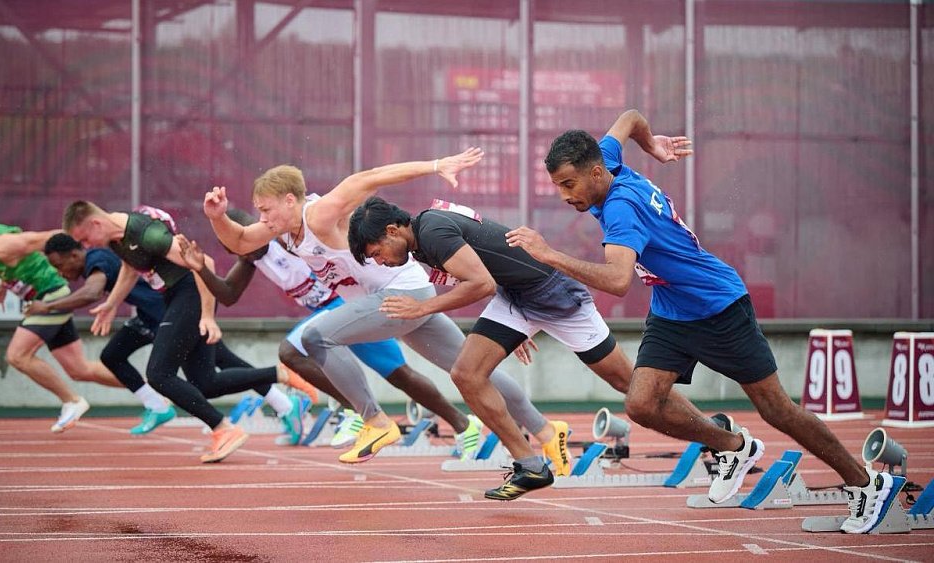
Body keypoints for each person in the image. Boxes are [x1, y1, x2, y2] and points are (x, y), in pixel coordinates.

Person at [505, 108, 893, 533]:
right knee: (641, 403)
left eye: (568, 184)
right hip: (673, 311)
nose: (564, 195)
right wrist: (652, 145)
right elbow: (631, 118)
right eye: (557, 185)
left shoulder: (621, 210)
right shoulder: (608, 158)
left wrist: (549, 255)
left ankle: (866, 482)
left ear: (595, 173)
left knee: (776, 409)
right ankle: (734, 446)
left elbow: (617, 280)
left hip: (718, 306)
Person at [204, 150, 571, 500]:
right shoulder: (280, 231)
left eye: (266, 210)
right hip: (407, 298)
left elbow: (370, 178)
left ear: (289, 200)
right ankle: (545, 430)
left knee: (317, 338)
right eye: (258, 213)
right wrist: (218, 217)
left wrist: (436, 165)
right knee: (471, 370)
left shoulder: (318, 215)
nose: (262, 219)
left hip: (400, 295)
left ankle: (375, 422)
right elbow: (237, 240)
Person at [349, 196, 696, 499]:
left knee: (628, 384)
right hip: (515, 298)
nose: (380, 262)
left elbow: (480, 283)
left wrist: (422, 307)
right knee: (466, 373)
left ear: (393, 230)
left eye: (377, 253)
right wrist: (512, 331)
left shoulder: (432, 231)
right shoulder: (423, 237)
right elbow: (493, 269)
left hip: (553, 292)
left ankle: (712, 432)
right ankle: (530, 464)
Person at [178, 208, 478, 451]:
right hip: (333, 317)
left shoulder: (284, 240)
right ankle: (368, 413)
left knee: (394, 372)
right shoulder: (251, 261)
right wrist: (199, 267)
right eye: (231, 250)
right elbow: (228, 295)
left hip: (346, 306)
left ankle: (453, 423)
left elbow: (320, 237)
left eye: (238, 244)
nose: (238, 253)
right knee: (389, 372)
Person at [61, 201, 284, 463]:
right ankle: (283, 374)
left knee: (158, 373)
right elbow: (131, 267)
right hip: (173, 297)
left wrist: (208, 316)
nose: (86, 246)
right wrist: (111, 303)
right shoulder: (115, 239)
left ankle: (224, 429)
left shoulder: (147, 233)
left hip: (190, 294)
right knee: (205, 383)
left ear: (95, 224)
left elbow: (205, 264)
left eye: (84, 239)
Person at [39, 233, 311, 439]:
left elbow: (92, 291)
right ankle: (157, 406)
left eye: (58, 264)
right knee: (113, 355)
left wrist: (48, 305)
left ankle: (283, 404)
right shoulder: (114, 255)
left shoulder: (97, 260)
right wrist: (112, 305)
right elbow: (127, 275)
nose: (61, 273)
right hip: (150, 316)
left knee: (213, 370)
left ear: (75, 252)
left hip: (169, 314)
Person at [0, 221, 125, 433]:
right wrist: (3, 286)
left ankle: (72, 401)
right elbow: (19, 262)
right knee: (80, 369)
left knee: (17, 356)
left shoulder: (1, 245)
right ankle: (148, 389)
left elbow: (51, 237)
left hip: (51, 296)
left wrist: (94, 237)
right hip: (46, 297)